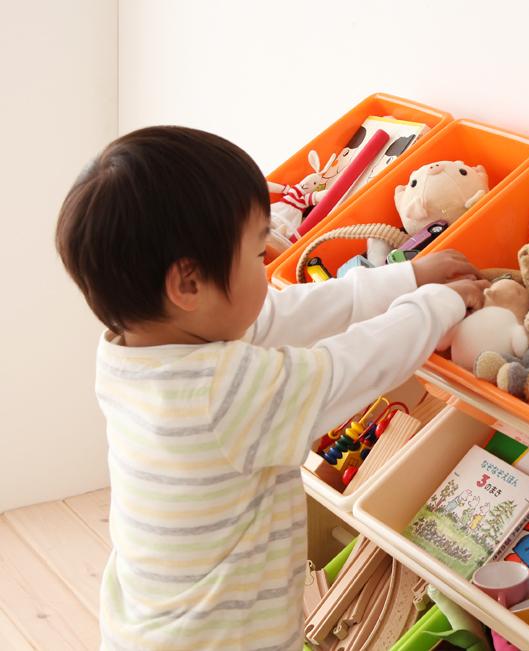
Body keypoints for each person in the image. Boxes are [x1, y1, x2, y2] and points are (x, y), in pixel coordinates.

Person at [55, 125, 488, 650]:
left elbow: (284, 315)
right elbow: (351, 367)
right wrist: (441, 304)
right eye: (259, 254)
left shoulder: (135, 352)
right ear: (188, 284)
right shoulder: (219, 395)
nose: (268, 266)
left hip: (147, 624)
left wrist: (406, 278)